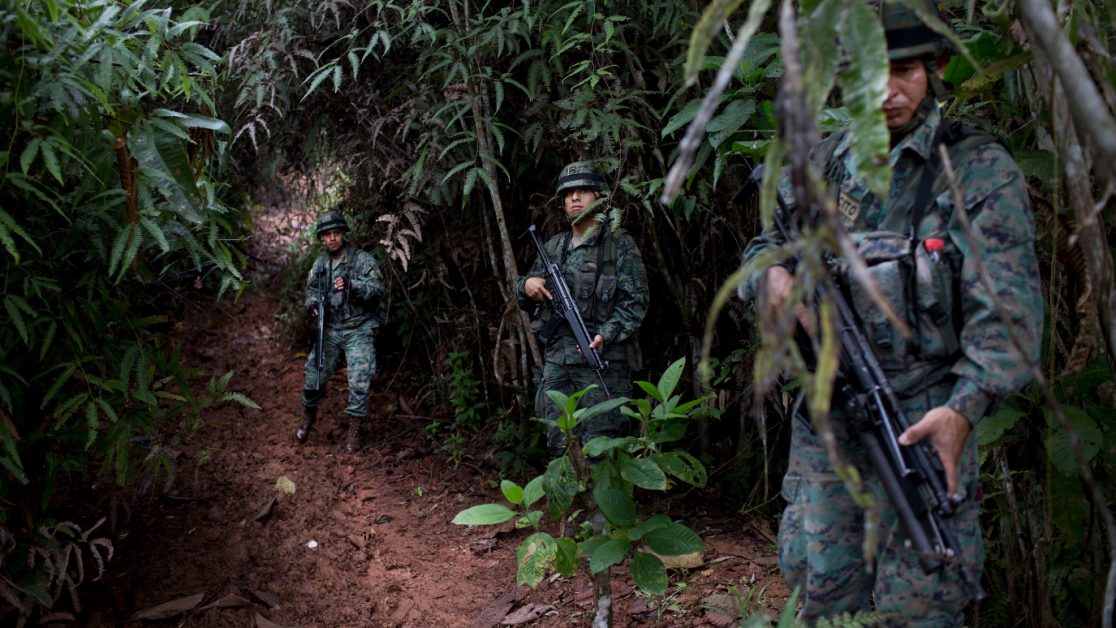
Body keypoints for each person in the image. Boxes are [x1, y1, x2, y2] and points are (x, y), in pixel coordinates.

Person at [737, 2, 1043, 625]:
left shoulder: (977, 170)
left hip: (925, 423)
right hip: (827, 423)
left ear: (935, 69)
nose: (887, 91)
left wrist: (963, 409)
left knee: (924, 603)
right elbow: (769, 243)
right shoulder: (819, 165)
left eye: (904, 71)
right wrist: (767, 275)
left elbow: (1008, 317)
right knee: (820, 598)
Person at [516, 161, 649, 456]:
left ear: (599, 198)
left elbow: (636, 302)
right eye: (569, 193)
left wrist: (607, 333)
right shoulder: (553, 248)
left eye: (584, 191)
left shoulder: (618, 246)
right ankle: (563, 502)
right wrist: (526, 287)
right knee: (559, 446)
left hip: (601, 364)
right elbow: (524, 294)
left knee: (601, 451)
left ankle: (598, 504)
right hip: (557, 366)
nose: (575, 198)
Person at [296, 210, 385, 453]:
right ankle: (308, 419)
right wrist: (312, 305)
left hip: (358, 328)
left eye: (337, 233)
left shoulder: (361, 260)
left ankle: (353, 434)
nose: (333, 238)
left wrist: (351, 285)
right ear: (322, 238)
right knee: (314, 375)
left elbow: (377, 288)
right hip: (331, 328)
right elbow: (311, 291)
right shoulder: (320, 264)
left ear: (343, 234)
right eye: (328, 235)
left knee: (359, 380)